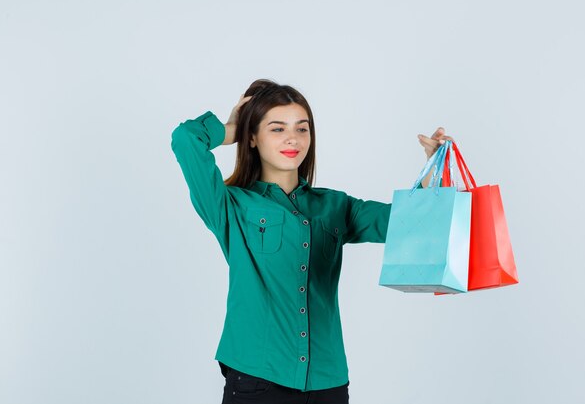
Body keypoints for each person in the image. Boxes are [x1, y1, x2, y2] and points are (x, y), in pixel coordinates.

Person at [170, 79, 454, 404]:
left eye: (302, 129)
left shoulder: (335, 206)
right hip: (257, 380)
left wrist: (435, 170)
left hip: (327, 383)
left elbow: (408, 224)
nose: (293, 138)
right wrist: (233, 128)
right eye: (277, 129)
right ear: (253, 137)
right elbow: (185, 139)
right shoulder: (231, 206)